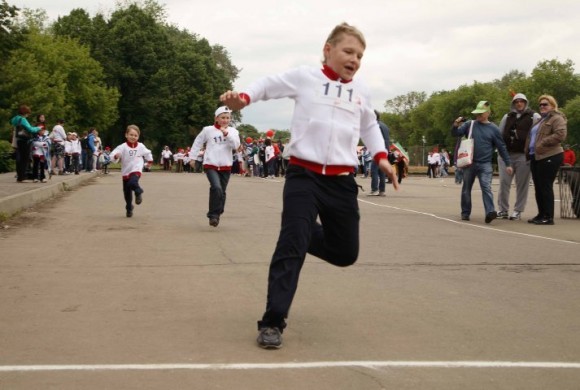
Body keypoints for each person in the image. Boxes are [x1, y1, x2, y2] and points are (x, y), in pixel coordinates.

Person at [220, 22, 398, 349]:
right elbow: (268, 84)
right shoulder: (306, 78)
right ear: (328, 50)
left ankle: (300, 235)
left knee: (345, 253)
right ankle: (273, 321)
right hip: (304, 175)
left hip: (341, 182)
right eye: (348, 51)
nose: (354, 59)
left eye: (360, 55)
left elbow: (370, 125)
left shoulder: (361, 91)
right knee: (292, 244)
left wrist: (382, 156)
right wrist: (243, 97)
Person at [452, 101, 513, 223]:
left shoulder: (494, 129)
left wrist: (508, 163)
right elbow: (455, 133)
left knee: (486, 187)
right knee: (466, 188)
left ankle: (490, 212)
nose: (478, 115)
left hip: (485, 164)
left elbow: (501, 146)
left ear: (488, 113)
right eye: (477, 113)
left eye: (481, 113)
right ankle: (465, 213)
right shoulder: (470, 124)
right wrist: (455, 124)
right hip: (470, 162)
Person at [190, 106, 240, 227]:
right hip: (210, 164)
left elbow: (235, 145)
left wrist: (227, 134)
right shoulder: (208, 130)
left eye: (227, 118)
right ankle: (213, 216)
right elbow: (198, 141)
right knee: (216, 187)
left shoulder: (233, 131)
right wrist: (193, 157)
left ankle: (217, 212)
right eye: (222, 117)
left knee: (222, 192)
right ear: (216, 118)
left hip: (226, 166)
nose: (225, 120)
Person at [496, 93, 541, 221]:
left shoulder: (534, 116)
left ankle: (518, 210)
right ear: (513, 103)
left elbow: (539, 134)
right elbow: (499, 134)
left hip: (523, 155)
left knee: (522, 184)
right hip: (506, 155)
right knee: (504, 183)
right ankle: (503, 209)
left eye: (522, 101)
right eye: (516, 102)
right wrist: (499, 151)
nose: (519, 104)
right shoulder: (507, 116)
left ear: (526, 102)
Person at [525, 95, 567, 225]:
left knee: (545, 186)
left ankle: (548, 217)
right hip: (536, 156)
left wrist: (542, 143)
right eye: (540, 105)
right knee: (538, 187)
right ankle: (541, 214)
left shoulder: (557, 118)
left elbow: (561, 135)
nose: (542, 107)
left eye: (545, 104)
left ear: (552, 106)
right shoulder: (541, 121)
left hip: (550, 155)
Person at [109, 125, 153, 218]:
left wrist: (149, 161)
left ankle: (138, 191)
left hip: (136, 168)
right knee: (127, 192)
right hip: (126, 171)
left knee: (132, 182)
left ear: (138, 137)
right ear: (126, 135)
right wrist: (116, 156)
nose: (133, 137)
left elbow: (147, 153)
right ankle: (129, 207)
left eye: (135, 135)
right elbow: (112, 155)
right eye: (131, 135)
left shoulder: (140, 146)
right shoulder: (122, 147)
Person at [10, 105, 41, 182]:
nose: (28, 115)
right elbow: (30, 129)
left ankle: (19, 175)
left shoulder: (15, 118)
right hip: (24, 140)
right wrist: (38, 128)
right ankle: (22, 177)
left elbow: (11, 122)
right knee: (25, 159)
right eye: (27, 113)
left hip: (18, 139)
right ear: (25, 112)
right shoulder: (23, 119)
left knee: (19, 158)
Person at [367, 110, 390, 196]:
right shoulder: (384, 125)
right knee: (382, 171)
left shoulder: (375, 126)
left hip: (378, 149)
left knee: (374, 170)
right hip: (385, 150)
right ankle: (382, 190)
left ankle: (374, 189)